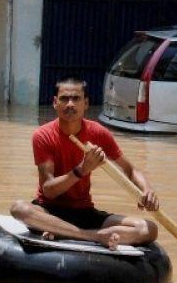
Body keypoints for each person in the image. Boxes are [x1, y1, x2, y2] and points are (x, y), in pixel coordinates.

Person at [10, 77, 159, 249]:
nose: (70, 104)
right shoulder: (42, 136)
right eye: (64, 99)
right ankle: (91, 237)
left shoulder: (98, 133)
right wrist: (82, 170)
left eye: (76, 99)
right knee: (19, 209)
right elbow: (49, 190)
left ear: (86, 103)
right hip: (49, 210)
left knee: (148, 229)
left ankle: (63, 233)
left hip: (84, 211)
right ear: (55, 103)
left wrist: (146, 190)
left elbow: (130, 170)